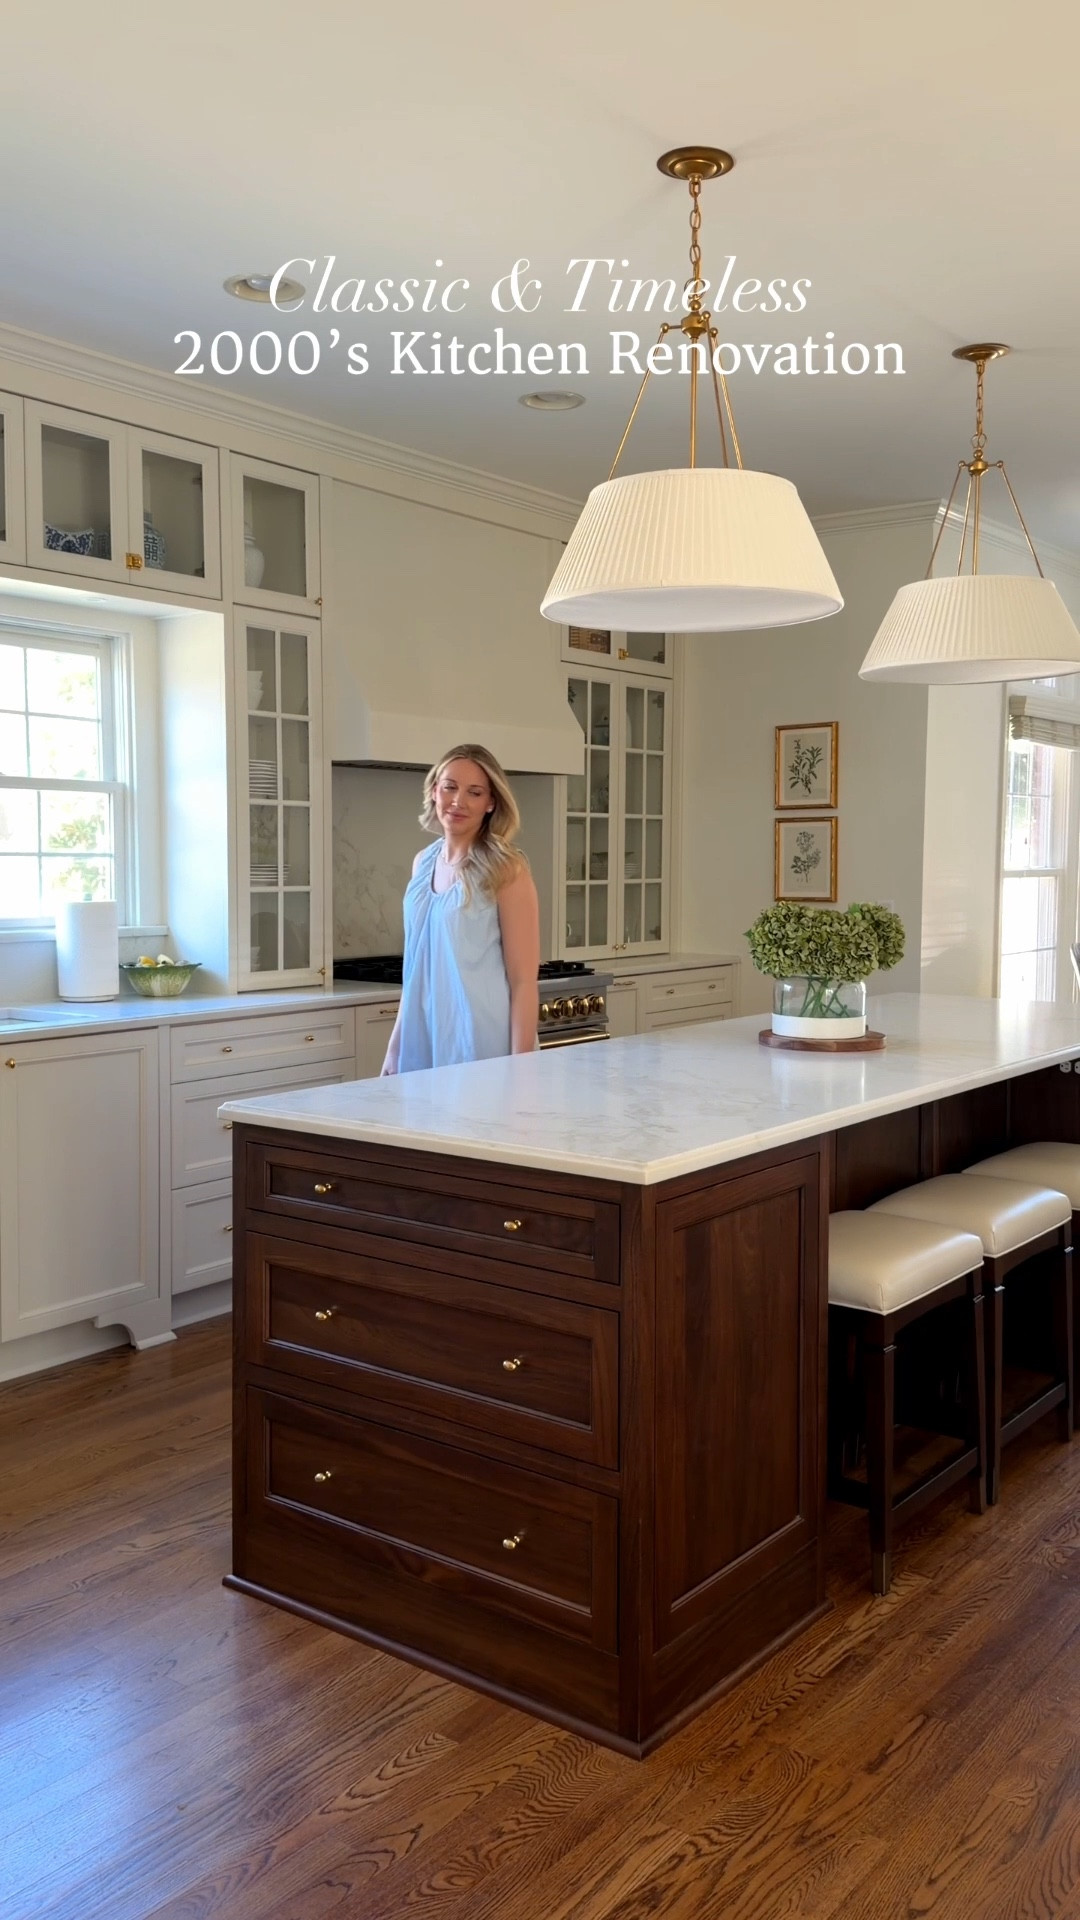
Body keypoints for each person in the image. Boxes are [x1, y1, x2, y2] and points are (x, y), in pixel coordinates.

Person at [380, 743, 540, 1074]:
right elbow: (415, 972)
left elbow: (524, 980)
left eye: (475, 792)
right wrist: (394, 1050)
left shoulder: (507, 870)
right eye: (450, 787)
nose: (458, 801)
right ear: (434, 791)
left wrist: (522, 1072)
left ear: (491, 803)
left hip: (484, 1043)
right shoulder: (422, 863)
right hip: (422, 1038)